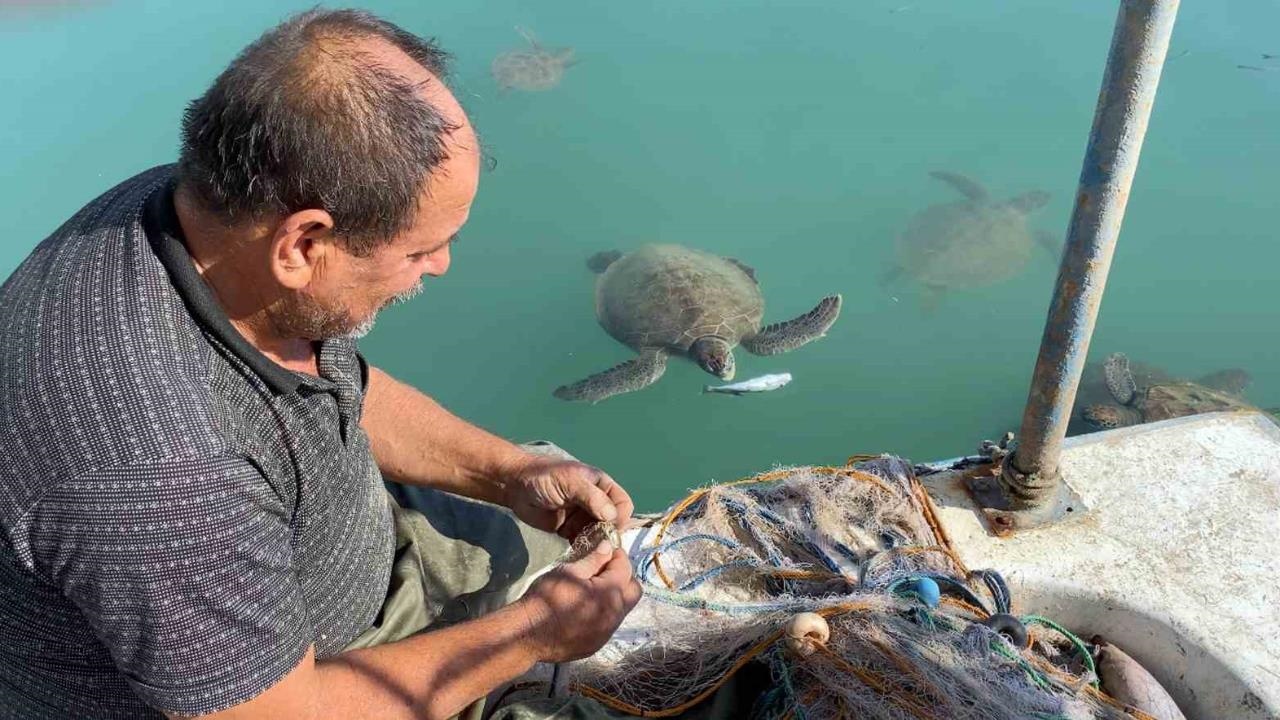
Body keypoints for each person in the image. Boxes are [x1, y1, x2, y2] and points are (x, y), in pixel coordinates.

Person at [0, 9, 641, 720]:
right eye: (419, 249)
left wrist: (507, 474)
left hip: (344, 556)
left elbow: (332, 386)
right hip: (311, 684)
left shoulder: (201, 212)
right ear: (303, 244)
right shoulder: (161, 477)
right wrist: (533, 635)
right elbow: (282, 712)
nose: (442, 265)